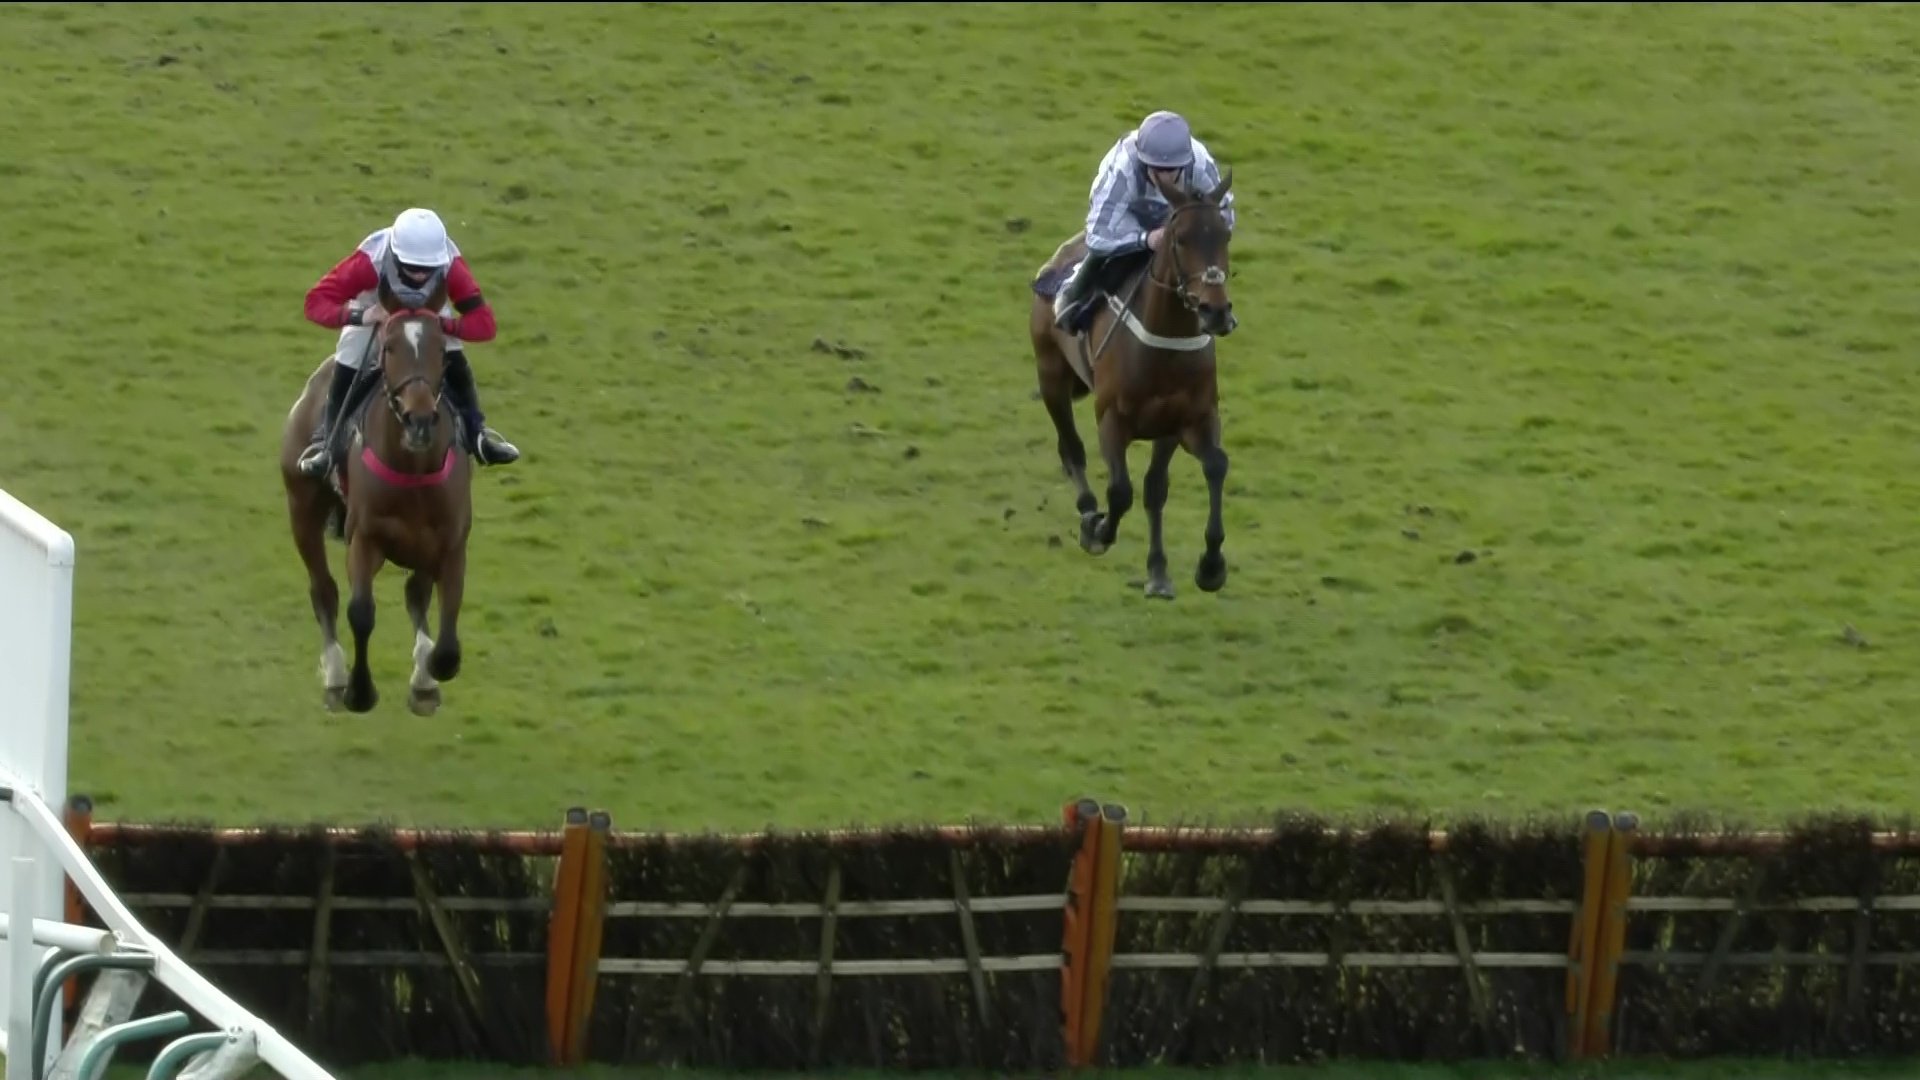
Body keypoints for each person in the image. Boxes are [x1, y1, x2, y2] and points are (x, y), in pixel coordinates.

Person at [296, 207, 520, 478]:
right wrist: (361, 316)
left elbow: (485, 325)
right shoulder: (369, 261)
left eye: (427, 269)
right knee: (350, 358)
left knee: (456, 358)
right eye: (412, 268)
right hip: (375, 307)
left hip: (431, 314)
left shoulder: (451, 265)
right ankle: (327, 446)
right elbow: (315, 302)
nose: (419, 276)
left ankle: (479, 436)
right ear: (395, 253)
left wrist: (445, 325)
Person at [1053, 110, 1237, 334]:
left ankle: (1217, 308)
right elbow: (1098, 236)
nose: (1165, 178)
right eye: (1157, 169)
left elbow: (1223, 215)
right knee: (1107, 256)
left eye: (1171, 170)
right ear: (1143, 160)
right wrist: (1145, 239)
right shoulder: (1123, 169)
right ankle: (1072, 295)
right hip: (1128, 213)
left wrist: (1206, 236)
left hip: (1176, 213)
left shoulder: (1200, 164)